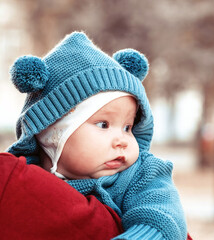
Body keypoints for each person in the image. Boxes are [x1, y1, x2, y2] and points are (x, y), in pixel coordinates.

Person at [5, 31, 189, 240]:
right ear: (52, 134)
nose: (122, 141)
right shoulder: (23, 178)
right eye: (103, 125)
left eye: (127, 127)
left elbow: (163, 220)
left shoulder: (143, 175)